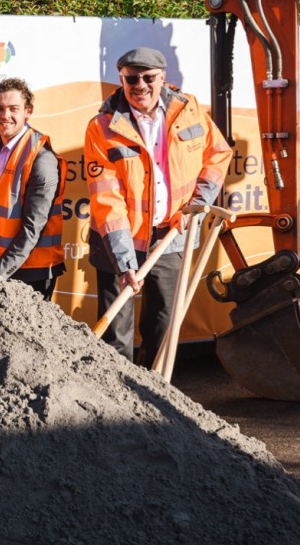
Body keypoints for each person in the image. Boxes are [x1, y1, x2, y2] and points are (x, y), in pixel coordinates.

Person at [84, 47, 232, 367]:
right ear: (121, 80)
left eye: (148, 77)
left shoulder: (188, 110)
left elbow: (218, 154)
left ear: (163, 78)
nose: (140, 85)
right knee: (116, 331)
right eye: (131, 79)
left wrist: (196, 204)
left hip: (172, 236)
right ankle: (115, 398)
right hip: (120, 241)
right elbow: (108, 200)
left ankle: (156, 393)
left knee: (163, 322)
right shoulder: (103, 126)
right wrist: (125, 262)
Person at [0, 78, 66, 300]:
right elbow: (2, 204)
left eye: (13, 109)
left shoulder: (41, 157)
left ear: (28, 111)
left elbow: (33, 228)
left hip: (34, 273)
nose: (5, 115)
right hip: (2, 265)